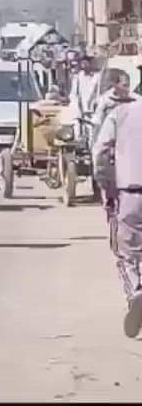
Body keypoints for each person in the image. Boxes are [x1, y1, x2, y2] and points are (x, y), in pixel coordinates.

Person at [91, 91, 142, 337]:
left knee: (127, 251)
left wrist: (108, 185)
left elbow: (100, 152)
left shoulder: (120, 113)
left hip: (131, 192)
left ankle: (136, 292)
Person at [70, 54, 103, 140]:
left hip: (93, 106)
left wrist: (96, 103)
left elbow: (99, 91)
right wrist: (76, 106)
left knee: (93, 128)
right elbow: (74, 93)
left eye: (86, 62)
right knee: (80, 127)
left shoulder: (98, 77)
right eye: (82, 63)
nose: (83, 65)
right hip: (81, 106)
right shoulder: (78, 76)